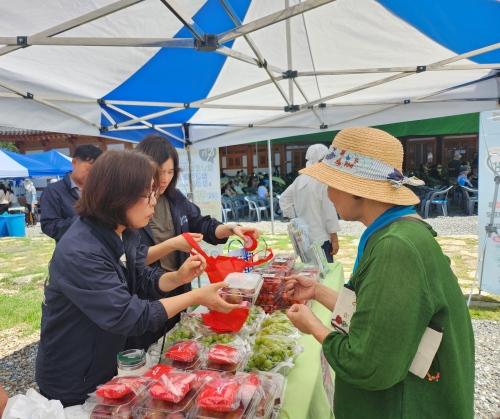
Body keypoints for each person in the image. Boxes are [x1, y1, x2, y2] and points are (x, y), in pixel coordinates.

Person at [285, 127, 474, 419]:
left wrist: (313, 326)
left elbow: (367, 363)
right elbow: (377, 314)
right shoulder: (396, 232)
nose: (329, 194)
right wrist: (317, 291)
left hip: (405, 406)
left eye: (332, 184)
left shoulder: (396, 247)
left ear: (356, 189)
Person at [35, 150, 240, 406]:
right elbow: (128, 316)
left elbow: (142, 279)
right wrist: (196, 295)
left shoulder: (124, 232)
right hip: (74, 374)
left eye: (155, 192)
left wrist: (177, 276)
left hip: (107, 358)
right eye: (148, 194)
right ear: (117, 197)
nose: (154, 201)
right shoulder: (81, 250)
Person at [133, 135, 259, 348]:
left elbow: (202, 225)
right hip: (147, 296)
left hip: (179, 286)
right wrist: (173, 244)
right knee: (151, 350)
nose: (164, 178)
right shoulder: (133, 206)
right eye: (159, 172)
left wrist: (230, 228)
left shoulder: (175, 198)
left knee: (177, 344)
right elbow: (133, 258)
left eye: (170, 172)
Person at [279, 144, 340, 262]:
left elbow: (284, 199)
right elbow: (329, 212)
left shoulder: (299, 179)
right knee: (322, 278)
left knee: (309, 274)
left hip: (303, 239)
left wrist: (295, 219)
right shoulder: (322, 180)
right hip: (321, 239)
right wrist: (334, 238)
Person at [40, 145, 102, 241]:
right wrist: (84, 221)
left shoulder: (101, 190)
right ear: (74, 162)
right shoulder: (54, 191)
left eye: (96, 171)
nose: (92, 174)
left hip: (102, 250)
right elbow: (49, 226)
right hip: (72, 251)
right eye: (88, 169)